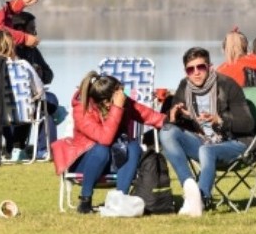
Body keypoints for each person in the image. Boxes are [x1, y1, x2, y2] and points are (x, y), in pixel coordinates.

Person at [51, 71, 177, 214]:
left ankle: (120, 198)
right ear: (105, 102)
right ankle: (85, 200)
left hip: (116, 159)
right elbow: (105, 139)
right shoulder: (82, 110)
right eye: (119, 94)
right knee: (101, 150)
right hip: (86, 163)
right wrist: (117, 108)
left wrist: (171, 119)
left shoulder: (121, 101)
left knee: (133, 146)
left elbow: (147, 114)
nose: (123, 96)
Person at [159, 46, 255, 217]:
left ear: (210, 67)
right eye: (191, 69)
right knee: (166, 132)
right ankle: (190, 189)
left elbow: (248, 124)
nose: (196, 73)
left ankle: (202, 198)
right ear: (185, 71)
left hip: (234, 143)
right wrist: (174, 117)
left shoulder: (228, 85)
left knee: (206, 149)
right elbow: (175, 120)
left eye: (201, 67)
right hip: (204, 140)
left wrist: (220, 121)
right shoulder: (184, 86)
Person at [0, 29, 45, 161]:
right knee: (41, 107)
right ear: (11, 46)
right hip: (20, 112)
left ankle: (11, 146)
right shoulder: (22, 65)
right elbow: (40, 92)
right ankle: (25, 148)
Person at [11, 11, 59, 158]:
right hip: (15, 99)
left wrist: (40, 74)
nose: (35, 33)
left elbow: (49, 74)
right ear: (20, 31)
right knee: (48, 105)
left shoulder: (32, 50)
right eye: (32, 29)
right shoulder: (8, 51)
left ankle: (20, 148)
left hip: (29, 99)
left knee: (47, 105)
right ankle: (43, 150)